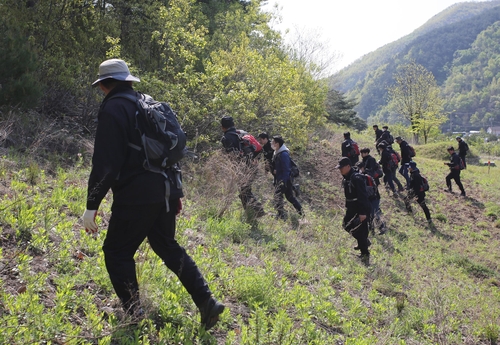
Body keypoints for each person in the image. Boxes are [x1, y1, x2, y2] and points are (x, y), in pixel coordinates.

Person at [82, 59, 224, 329]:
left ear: (104, 85)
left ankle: (134, 316)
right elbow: (169, 155)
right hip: (165, 191)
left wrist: (92, 204)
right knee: (166, 246)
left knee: (117, 252)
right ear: (128, 80)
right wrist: (175, 194)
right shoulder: (145, 102)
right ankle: (206, 301)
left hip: (137, 196)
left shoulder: (114, 107)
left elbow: (106, 162)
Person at [220, 116, 265, 217]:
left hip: (242, 168)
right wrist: (255, 160)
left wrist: (234, 169)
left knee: (244, 191)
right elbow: (258, 148)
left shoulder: (226, 138)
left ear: (222, 127)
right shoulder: (242, 132)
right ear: (233, 124)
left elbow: (232, 156)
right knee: (245, 190)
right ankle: (252, 213)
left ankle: (256, 211)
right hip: (253, 166)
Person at [336, 157, 372, 261]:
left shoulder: (357, 178)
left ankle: (365, 253)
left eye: (341, 168)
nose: (340, 170)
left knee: (361, 229)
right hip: (352, 207)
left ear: (348, 166)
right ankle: (363, 243)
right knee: (347, 225)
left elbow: (362, 196)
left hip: (360, 207)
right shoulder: (347, 176)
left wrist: (362, 212)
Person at [271, 136, 303, 220]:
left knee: (277, 196)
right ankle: (301, 213)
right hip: (283, 179)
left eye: (273, 142)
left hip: (285, 180)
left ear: (277, 144)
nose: (272, 143)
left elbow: (286, 169)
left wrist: (283, 182)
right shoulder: (277, 152)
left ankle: (281, 215)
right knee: (289, 197)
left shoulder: (284, 154)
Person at [355, 161, 386, 234]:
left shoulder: (367, 175)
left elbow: (371, 188)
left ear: (363, 168)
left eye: (359, 168)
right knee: (369, 214)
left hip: (374, 197)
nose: (358, 170)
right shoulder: (360, 176)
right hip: (368, 198)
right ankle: (372, 230)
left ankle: (382, 227)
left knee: (374, 213)